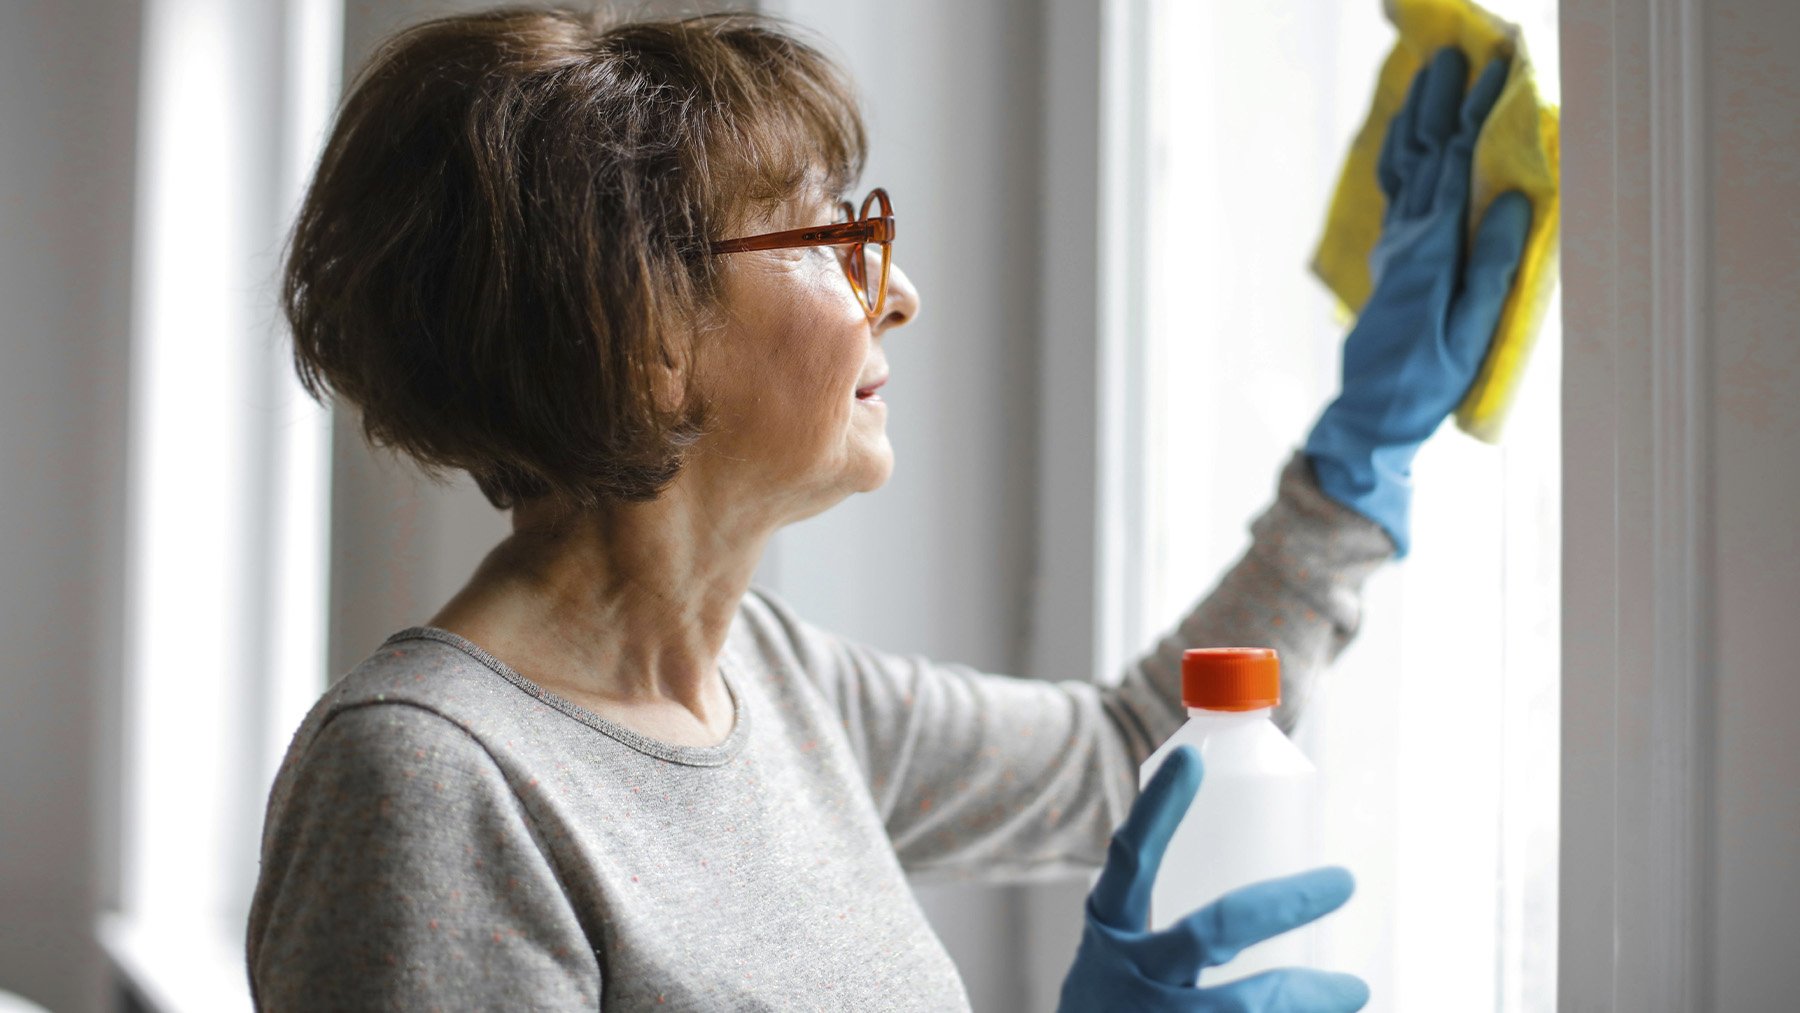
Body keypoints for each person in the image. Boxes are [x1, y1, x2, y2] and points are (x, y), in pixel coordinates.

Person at [245, 5, 1526, 1009]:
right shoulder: (430, 780)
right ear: (644, 333)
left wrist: (1360, 453)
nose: (897, 289)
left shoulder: (778, 684)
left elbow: (1130, 753)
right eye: (822, 237)